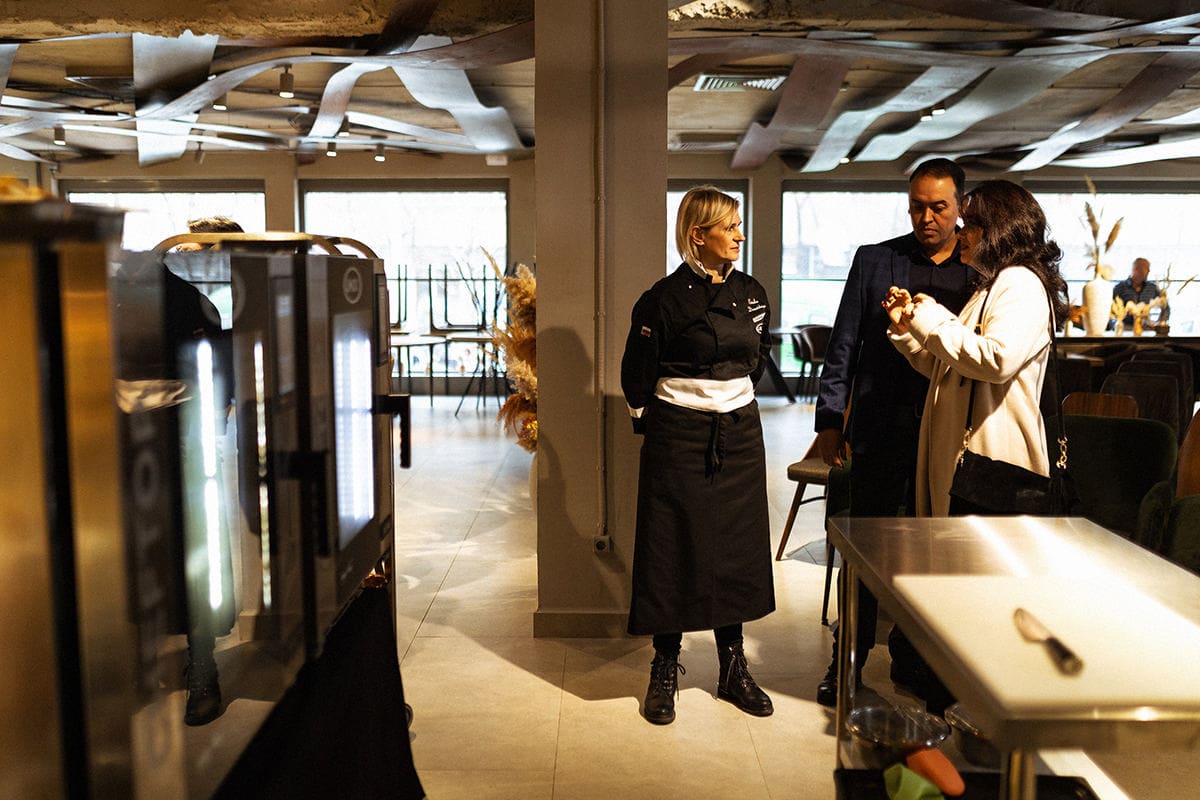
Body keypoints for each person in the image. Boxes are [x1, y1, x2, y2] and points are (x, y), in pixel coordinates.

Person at [813, 158, 973, 708]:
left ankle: (915, 657)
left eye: (938, 207)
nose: (926, 218)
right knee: (866, 550)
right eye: (917, 207)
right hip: (878, 427)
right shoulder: (875, 259)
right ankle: (847, 661)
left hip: (948, 433)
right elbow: (844, 344)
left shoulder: (979, 271)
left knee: (934, 554)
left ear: (960, 207)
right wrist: (830, 419)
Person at [620, 185, 775, 725]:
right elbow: (637, 375)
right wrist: (670, 423)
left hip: (740, 434)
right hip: (678, 436)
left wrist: (727, 403)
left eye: (738, 226)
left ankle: (733, 665)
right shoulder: (661, 299)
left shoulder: (752, 293)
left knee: (736, 547)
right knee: (671, 545)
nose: (739, 235)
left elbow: (757, 360)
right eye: (729, 227)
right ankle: (665, 664)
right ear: (697, 235)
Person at [885, 178, 1068, 518]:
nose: (961, 234)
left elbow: (996, 361)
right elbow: (955, 369)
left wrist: (932, 318)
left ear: (997, 230)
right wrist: (910, 330)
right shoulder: (993, 286)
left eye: (970, 225)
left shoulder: (1020, 282)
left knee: (980, 549)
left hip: (992, 460)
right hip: (973, 453)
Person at [171, 215, 242, 725]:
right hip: (159, 440)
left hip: (195, 442)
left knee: (200, 549)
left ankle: (202, 663)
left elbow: (224, 376)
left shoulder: (222, 301)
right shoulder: (164, 292)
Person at [1112, 257, 1162, 327]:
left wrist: (1159, 323)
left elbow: (1165, 307)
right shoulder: (1119, 288)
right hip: (1125, 330)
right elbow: (1110, 312)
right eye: (1146, 268)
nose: (1149, 271)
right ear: (1136, 269)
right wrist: (1116, 325)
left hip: (1147, 330)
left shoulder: (1153, 288)